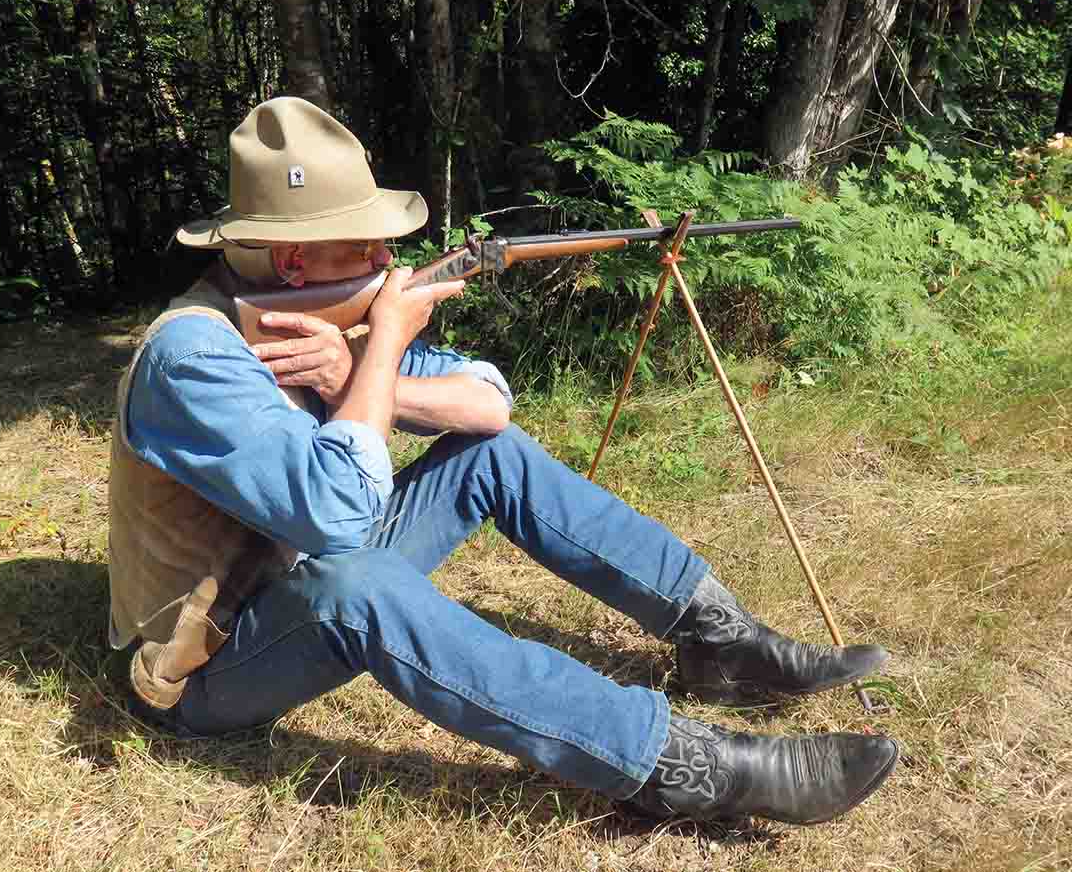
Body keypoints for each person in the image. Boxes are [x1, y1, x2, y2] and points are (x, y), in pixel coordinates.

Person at [108, 96, 898, 824]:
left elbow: (489, 404)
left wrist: (358, 374)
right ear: (292, 266)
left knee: (492, 455)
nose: (391, 259)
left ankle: (720, 640)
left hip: (300, 574)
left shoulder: (316, 325)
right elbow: (339, 513)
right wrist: (385, 340)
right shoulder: (194, 359)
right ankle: (688, 768)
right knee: (361, 586)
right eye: (370, 243)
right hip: (205, 664)